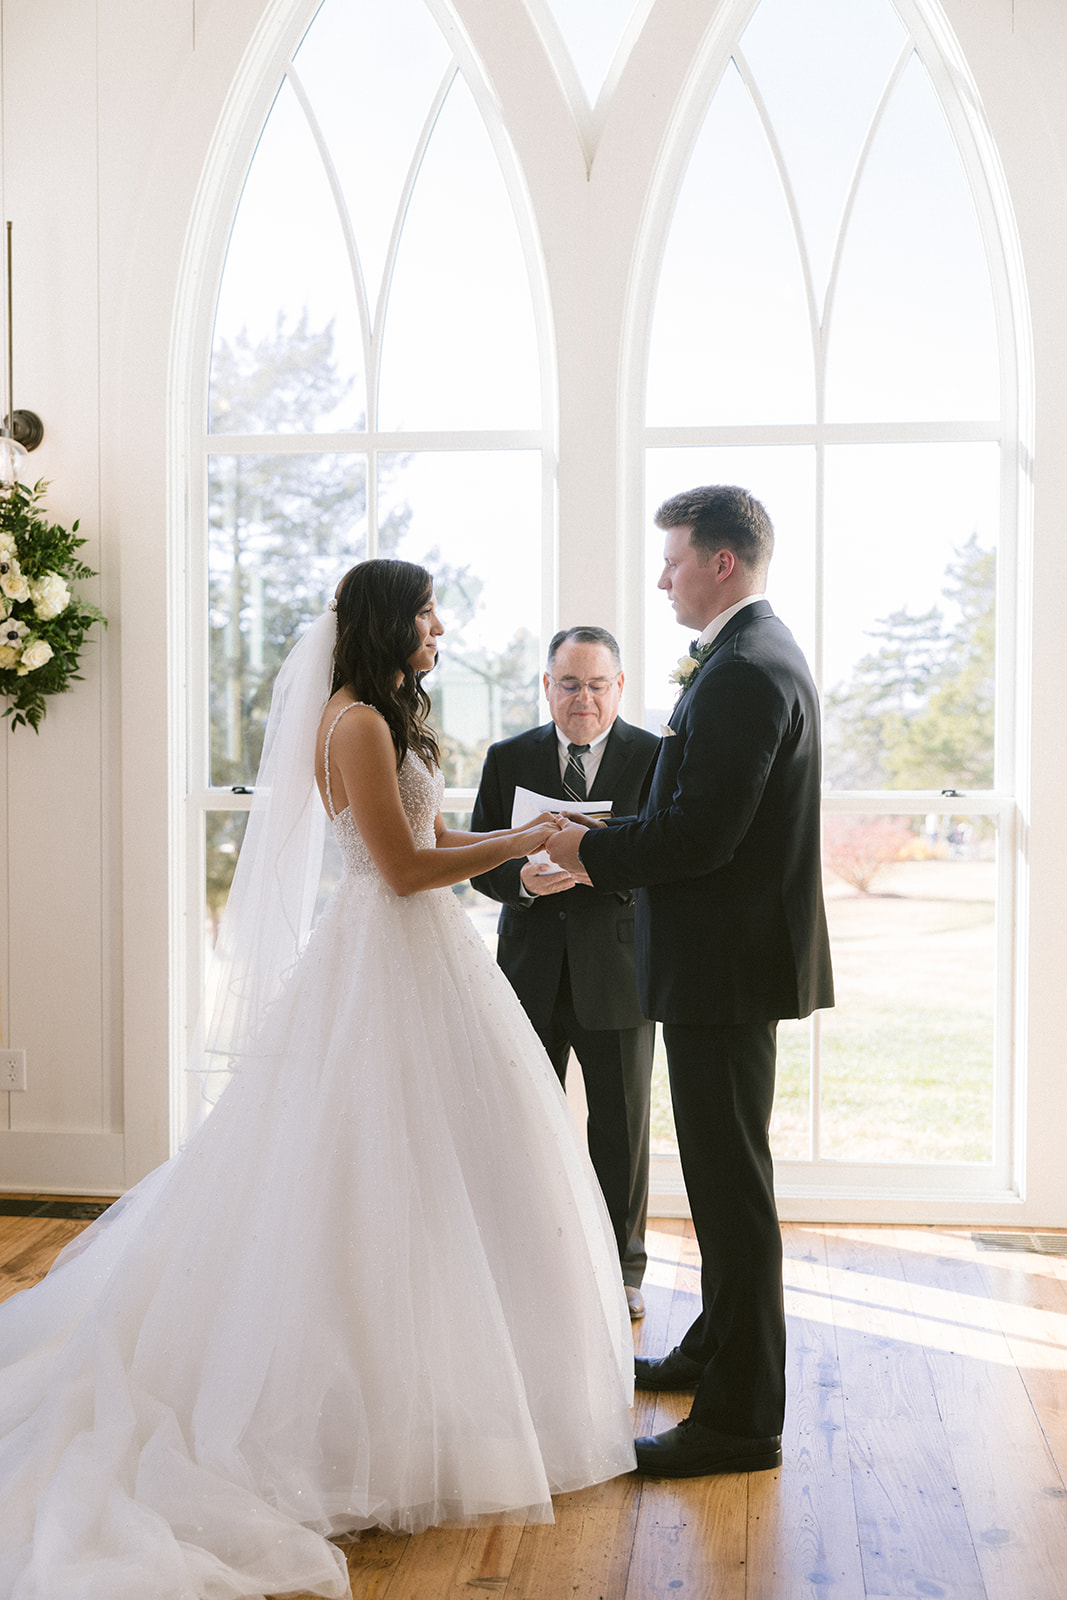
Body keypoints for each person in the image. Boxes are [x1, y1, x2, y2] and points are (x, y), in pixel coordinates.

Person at [0, 559, 636, 1600]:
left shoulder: (381, 717)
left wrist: (523, 840)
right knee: (367, 1175)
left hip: (419, 956)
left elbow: (434, 837)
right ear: (389, 620)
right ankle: (360, 1412)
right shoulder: (356, 723)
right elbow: (401, 871)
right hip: (385, 958)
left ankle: (457, 1390)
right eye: (426, 612)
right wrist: (519, 841)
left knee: (453, 1174)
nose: (439, 627)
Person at [546, 486, 834, 1479]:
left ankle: (740, 1422)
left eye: (672, 560)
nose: (661, 577)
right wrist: (598, 834)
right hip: (725, 964)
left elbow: (703, 835)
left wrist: (587, 853)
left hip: (725, 969)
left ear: (720, 561)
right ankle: (712, 1350)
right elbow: (698, 813)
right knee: (720, 1179)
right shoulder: (747, 654)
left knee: (729, 1189)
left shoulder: (744, 670)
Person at [470, 627, 659, 1319]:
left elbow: (666, 856)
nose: (584, 699)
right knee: (525, 1125)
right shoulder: (507, 757)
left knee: (620, 1129)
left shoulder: (656, 757)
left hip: (618, 969)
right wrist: (520, 881)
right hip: (528, 970)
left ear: (619, 687)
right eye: (570, 684)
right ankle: (530, 1265)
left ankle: (621, 1271)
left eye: (597, 685)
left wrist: (597, 864)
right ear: (547, 686)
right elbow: (479, 856)